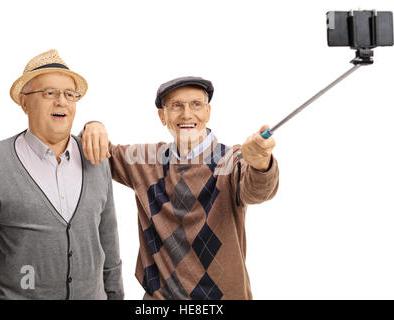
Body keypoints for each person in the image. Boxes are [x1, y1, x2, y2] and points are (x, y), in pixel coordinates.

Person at [81, 76, 279, 300]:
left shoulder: (231, 160)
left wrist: (261, 162)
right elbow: (98, 152)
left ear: (208, 112)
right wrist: (93, 126)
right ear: (162, 116)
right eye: (176, 106)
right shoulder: (145, 160)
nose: (187, 114)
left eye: (196, 104)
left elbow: (258, 190)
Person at [0, 49, 123, 300]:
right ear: (24, 103)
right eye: (49, 93)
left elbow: (108, 238)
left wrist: (115, 295)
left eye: (70, 94)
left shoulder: (95, 158)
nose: (62, 102)